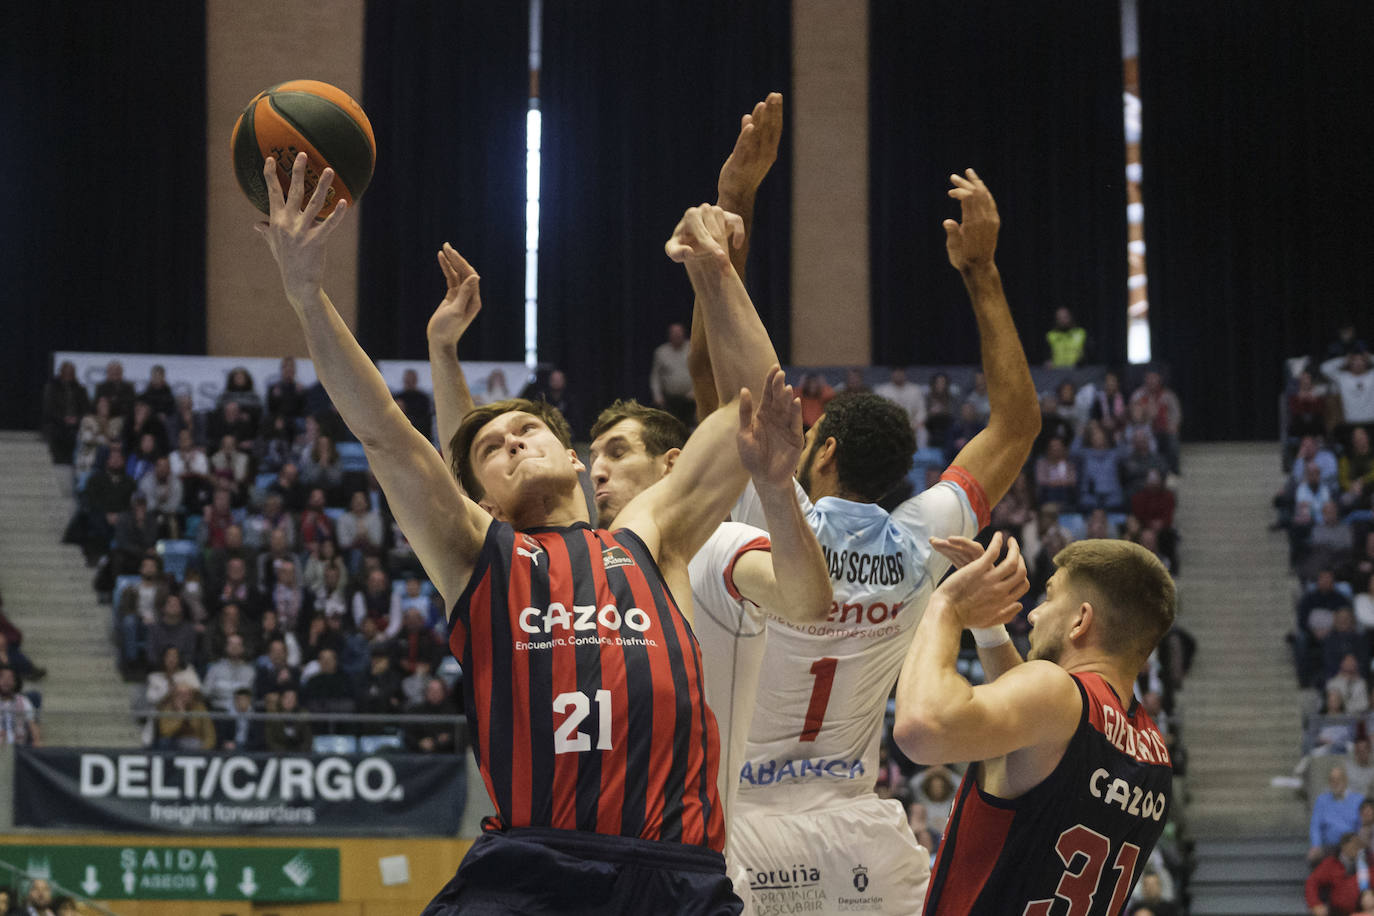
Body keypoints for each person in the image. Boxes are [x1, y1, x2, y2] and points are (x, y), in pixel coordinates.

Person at [256, 149, 786, 913]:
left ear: (574, 463)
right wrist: (308, 297)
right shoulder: (482, 554)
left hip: (678, 875)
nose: (511, 440)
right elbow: (385, 435)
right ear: (486, 501)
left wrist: (716, 272)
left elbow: (752, 408)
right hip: (534, 871)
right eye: (489, 448)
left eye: (527, 429)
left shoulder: (649, 534)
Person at [691, 170, 1039, 915]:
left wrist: (735, 217)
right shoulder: (923, 540)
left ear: (821, 452)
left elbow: (731, 386)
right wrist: (981, 271)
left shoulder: (768, 508)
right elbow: (1015, 425)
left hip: (740, 828)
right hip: (861, 834)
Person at [894, 535, 1176, 914]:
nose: (1033, 614)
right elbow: (1035, 742)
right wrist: (990, 628)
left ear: (1081, 620)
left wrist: (945, 606)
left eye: (1049, 597)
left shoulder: (1059, 696)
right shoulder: (1153, 751)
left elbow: (920, 730)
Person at [1311, 765, 1366, 864]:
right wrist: (1316, 845)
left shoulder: (1358, 800)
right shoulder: (1321, 800)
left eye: (1338, 779)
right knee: (1313, 858)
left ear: (1345, 780)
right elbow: (1315, 826)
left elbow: (1362, 825)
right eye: (1332, 780)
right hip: (1329, 846)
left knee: (1354, 855)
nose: (1335, 783)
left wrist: (1356, 843)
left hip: (1351, 843)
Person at [1306, 832, 1367, 916]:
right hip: (1335, 910)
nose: (1356, 848)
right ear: (1344, 846)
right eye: (1354, 844)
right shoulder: (1331, 863)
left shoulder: (1367, 863)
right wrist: (1315, 904)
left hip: (1361, 910)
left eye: (1358, 845)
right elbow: (1312, 882)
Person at [41, 360, 90, 463]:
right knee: (55, 433)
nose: (68, 375)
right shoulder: (52, 388)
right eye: (66, 372)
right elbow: (49, 408)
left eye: (71, 372)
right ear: (61, 372)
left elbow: (86, 409)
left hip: (76, 425)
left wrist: (77, 419)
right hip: (56, 423)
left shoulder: (81, 390)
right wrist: (64, 419)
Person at [651, 322, 696, 429]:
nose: (677, 335)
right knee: (672, 428)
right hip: (670, 401)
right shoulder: (661, 352)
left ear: (684, 334)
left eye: (679, 333)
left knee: (690, 429)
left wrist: (697, 391)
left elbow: (702, 373)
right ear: (669, 335)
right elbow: (655, 376)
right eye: (674, 333)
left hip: (690, 400)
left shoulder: (693, 349)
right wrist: (657, 396)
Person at [874, 368, 928, 447]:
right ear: (892, 374)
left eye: (901, 372)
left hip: (911, 425)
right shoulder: (882, 390)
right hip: (888, 425)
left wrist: (917, 424)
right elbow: (877, 411)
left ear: (904, 374)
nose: (898, 375)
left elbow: (921, 411)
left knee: (923, 432)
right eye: (896, 372)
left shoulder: (915, 390)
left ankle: (919, 458)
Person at [0, 666, 41, 746]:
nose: (6, 681)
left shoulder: (23, 701)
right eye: (2, 677)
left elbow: (32, 724)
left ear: (15, 682)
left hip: (19, 749)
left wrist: (37, 741)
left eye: (10, 677)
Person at [394, 368, 434, 440]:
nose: (409, 382)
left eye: (412, 380)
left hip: (419, 436)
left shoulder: (423, 399)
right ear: (404, 380)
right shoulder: (397, 397)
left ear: (416, 380)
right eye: (408, 380)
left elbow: (426, 422)